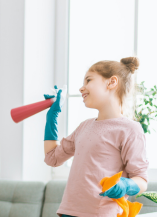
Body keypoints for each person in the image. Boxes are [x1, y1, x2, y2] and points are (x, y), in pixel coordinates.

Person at [43, 57, 149, 217]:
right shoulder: (84, 127)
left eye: (88, 80)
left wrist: (126, 185)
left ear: (112, 82)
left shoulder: (130, 129)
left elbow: (141, 180)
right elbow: (52, 158)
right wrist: (52, 117)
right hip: (69, 212)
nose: (81, 88)